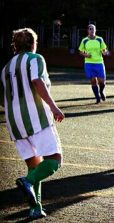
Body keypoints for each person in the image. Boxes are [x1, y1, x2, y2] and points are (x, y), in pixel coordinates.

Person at [0, 28, 64, 219]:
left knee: (34, 166)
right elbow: (37, 80)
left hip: (14, 123)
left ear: (15, 45)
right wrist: (54, 107)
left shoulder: (6, 67)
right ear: (33, 43)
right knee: (54, 160)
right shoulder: (35, 59)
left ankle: (35, 208)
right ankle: (27, 182)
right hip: (36, 119)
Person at [79, 24, 108, 104]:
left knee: (102, 81)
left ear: (95, 30)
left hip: (99, 62)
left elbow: (104, 49)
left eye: (93, 29)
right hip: (89, 63)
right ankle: (97, 98)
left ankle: (101, 91)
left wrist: (104, 52)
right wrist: (86, 55)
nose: (92, 30)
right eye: (90, 29)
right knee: (93, 81)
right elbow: (81, 51)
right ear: (88, 30)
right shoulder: (84, 40)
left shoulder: (99, 39)